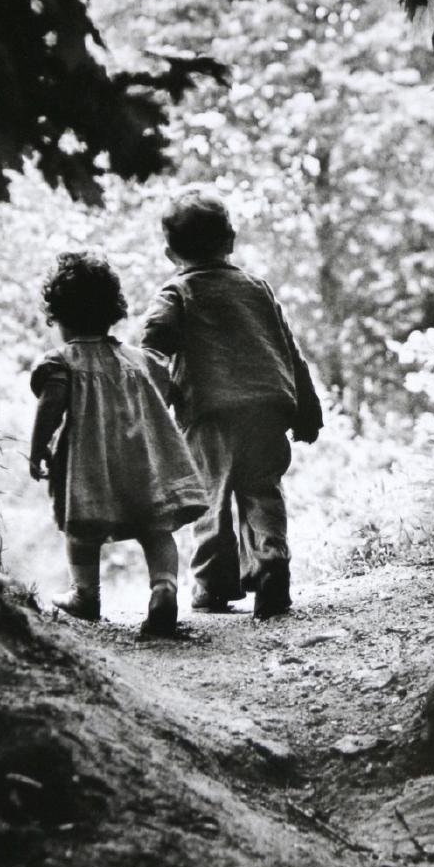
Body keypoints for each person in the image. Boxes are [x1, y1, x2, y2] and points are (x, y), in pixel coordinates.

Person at [141, 188, 323, 620]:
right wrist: (307, 410)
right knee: (263, 490)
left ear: (170, 253)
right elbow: (289, 350)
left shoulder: (177, 293)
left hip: (210, 415)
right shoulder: (258, 289)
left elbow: (153, 344)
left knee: (210, 499)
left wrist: (154, 398)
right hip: (267, 408)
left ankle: (212, 585)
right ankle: (272, 560)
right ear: (232, 239)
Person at [29, 250, 207, 636]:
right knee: (157, 529)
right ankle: (164, 588)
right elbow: (166, 390)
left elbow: (50, 407)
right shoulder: (139, 360)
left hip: (89, 468)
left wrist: (37, 448)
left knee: (81, 532)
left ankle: (86, 596)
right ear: (113, 310)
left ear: (58, 318)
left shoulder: (62, 362)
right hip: (146, 463)